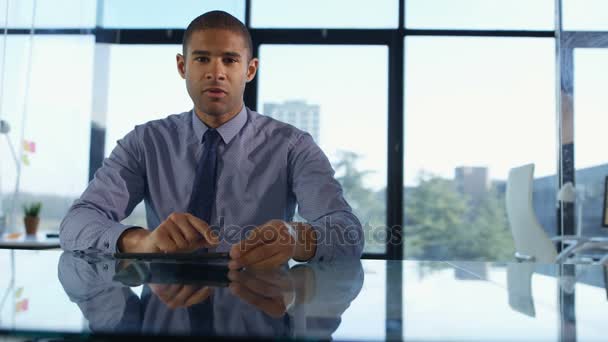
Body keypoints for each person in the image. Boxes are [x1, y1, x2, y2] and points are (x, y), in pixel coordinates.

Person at [59, 10, 363, 268]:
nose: (215, 73)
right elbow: (77, 222)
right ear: (182, 66)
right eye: (202, 59)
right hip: (164, 315)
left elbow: (348, 232)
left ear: (250, 69)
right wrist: (142, 241)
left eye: (230, 60)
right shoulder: (145, 142)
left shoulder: (293, 146)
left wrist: (299, 240)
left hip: (259, 311)